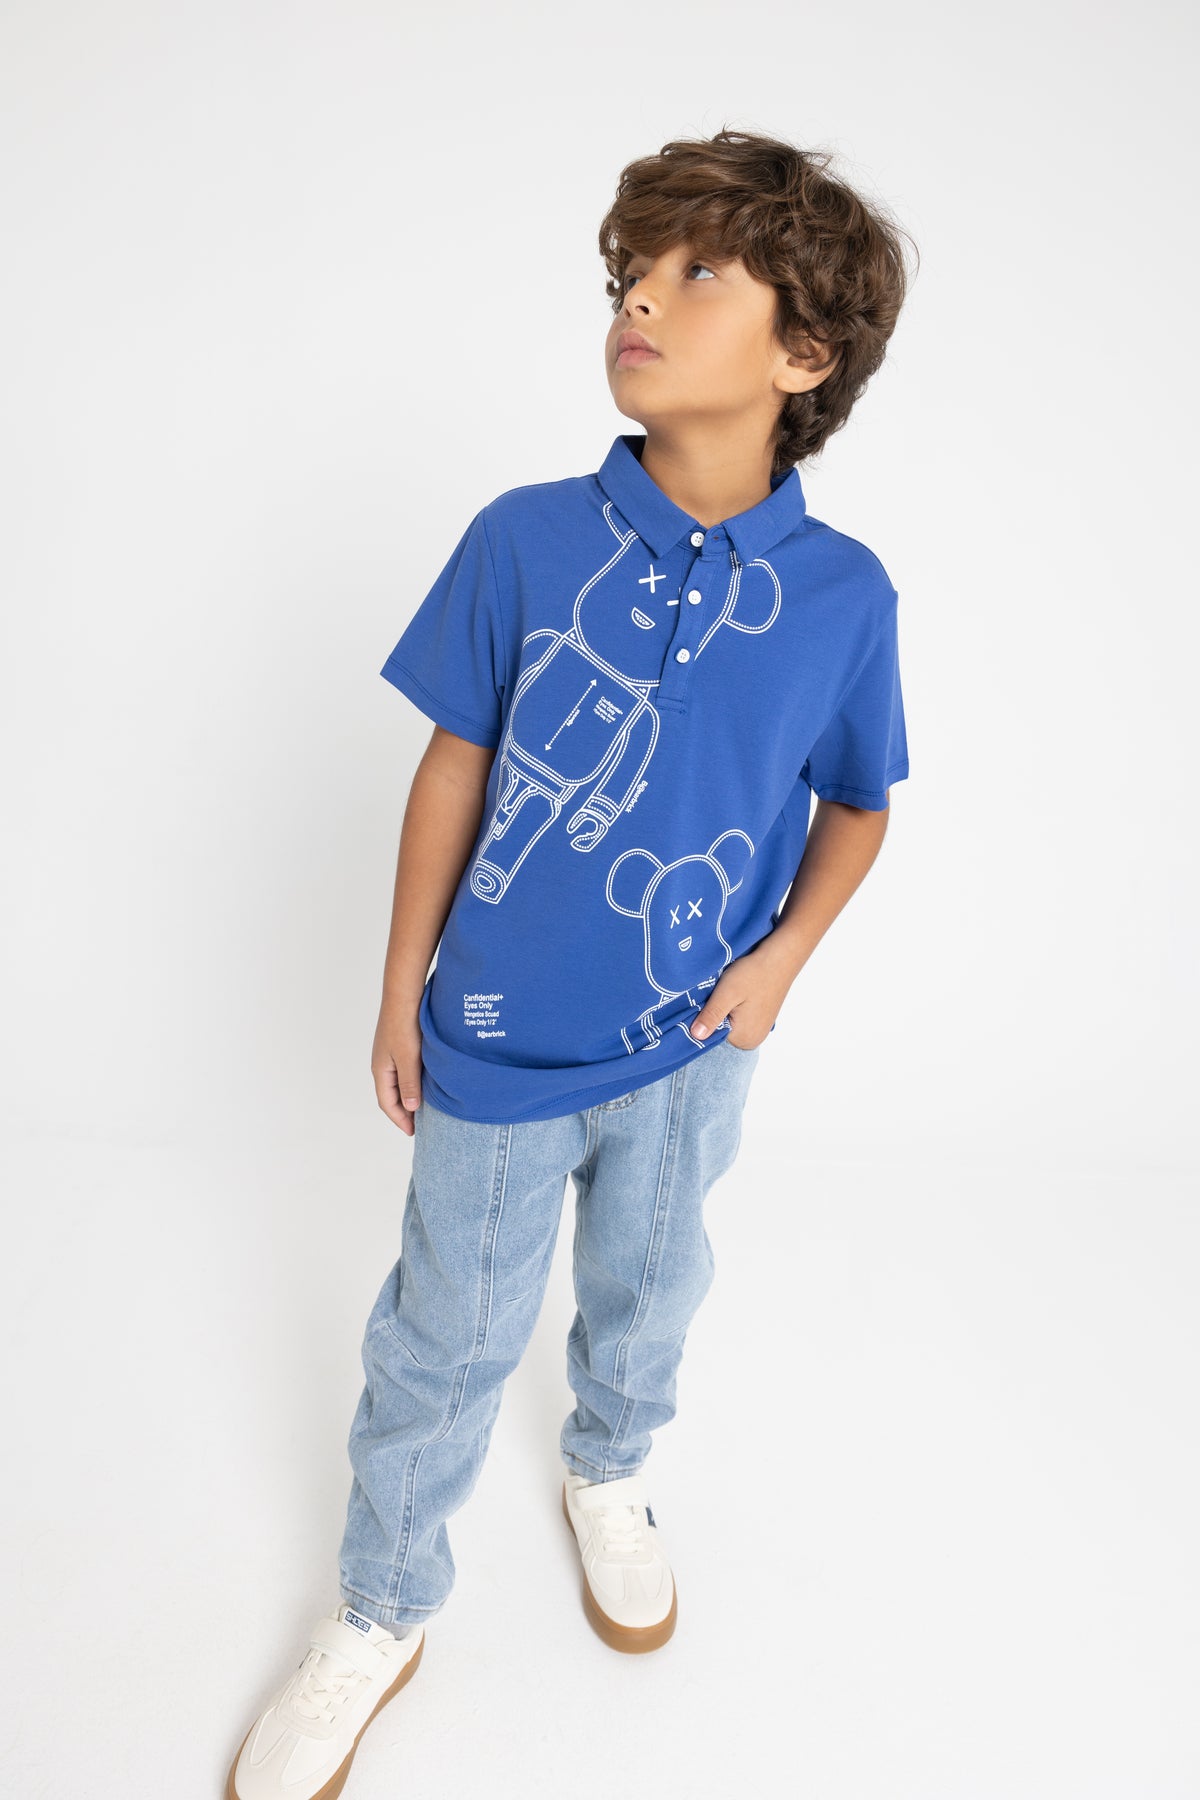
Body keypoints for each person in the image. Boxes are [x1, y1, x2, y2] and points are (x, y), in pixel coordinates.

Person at [226, 125, 915, 1800]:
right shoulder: (525, 538)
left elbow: (858, 804)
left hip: (691, 1048)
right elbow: (452, 765)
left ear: (805, 355)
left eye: (696, 274)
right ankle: (382, 1606)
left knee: (650, 1289)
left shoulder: (845, 594)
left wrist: (783, 964)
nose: (640, 303)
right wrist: (400, 985)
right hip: (496, 1036)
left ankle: (610, 1469)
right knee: (444, 1335)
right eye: (630, 275)